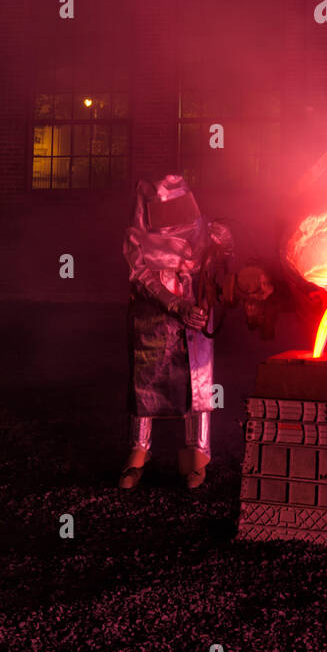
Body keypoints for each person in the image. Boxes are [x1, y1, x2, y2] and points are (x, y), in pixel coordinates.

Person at [119, 174, 233, 491]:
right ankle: (138, 450)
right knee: (146, 379)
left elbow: (219, 262)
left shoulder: (201, 229)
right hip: (151, 314)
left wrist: (226, 243)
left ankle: (198, 453)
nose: (171, 221)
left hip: (195, 307)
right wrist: (174, 304)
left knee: (199, 380)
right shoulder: (135, 238)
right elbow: (141, 275)